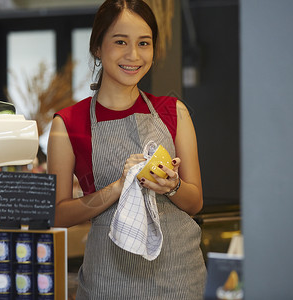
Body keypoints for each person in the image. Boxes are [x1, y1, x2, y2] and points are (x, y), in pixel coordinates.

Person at [47, 0, 206, 298]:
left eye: (143, 43)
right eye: (120, 41)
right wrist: (119, 187)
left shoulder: (175, 112)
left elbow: (195, 201)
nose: (133, 55)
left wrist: (172, 186)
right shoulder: (67, 124)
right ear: (97, 46)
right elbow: (58, 215)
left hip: (181, 280)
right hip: (110, 281)